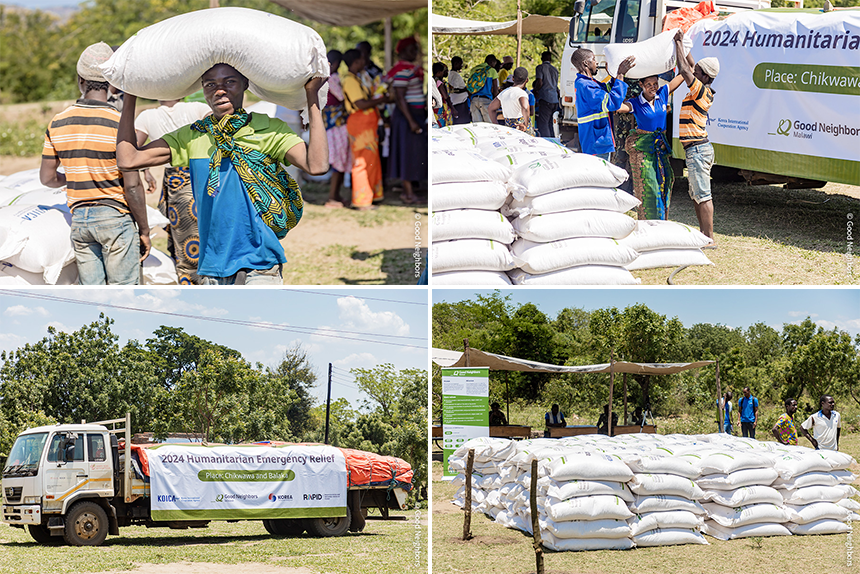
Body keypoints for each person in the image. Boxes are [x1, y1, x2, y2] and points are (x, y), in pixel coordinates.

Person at [116, 63, 328, 285]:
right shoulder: (193, 136)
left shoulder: (267, 129)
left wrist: (311, 96)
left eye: (230, 82)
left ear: (245, 84)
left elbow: (317, 165)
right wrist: (130, 94)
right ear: (203, 90)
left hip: (261, 265)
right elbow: (128, 159)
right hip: (213, 268)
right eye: (210, 84)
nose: (220, 90)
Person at [40, 42, 150, 285]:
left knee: (93, 297)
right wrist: (144, 229)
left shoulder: (57, 122)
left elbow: (47, 178)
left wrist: (78, 177)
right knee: (123, 295)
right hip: (115, 218)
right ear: (112, 83)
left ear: (80, 80)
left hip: (80, 221)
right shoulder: (120, 124)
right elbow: (132, 186)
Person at [135, 98, 210, 285]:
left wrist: (146, 170)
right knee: (202, 236)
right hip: (202, 175)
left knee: (184, 241)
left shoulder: (147, 116)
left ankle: (192, 284)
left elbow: (133, 152)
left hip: (176, 183)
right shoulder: (199, 109)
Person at [617, 73, 686, 219]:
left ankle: (661, 220)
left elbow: (682, 75)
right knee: (649, 186)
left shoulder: (662, 94)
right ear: (641, 85)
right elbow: (617, 107)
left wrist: (681, 51)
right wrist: (620, 77)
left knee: (666, 181)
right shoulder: (635, 103)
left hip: (660, 149)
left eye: (655, 84)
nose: (653, 88)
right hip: (644, 150)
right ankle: (647, 220)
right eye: (649, 85)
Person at [674, 29, 719, 240]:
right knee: (696, 195)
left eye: (698, 71)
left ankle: (708, 238)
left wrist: (677, 44)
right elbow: (690, 66)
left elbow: (684, 69)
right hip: (696, 149)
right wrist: (685, 42)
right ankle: (703, 235)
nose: (694, 72)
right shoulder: (701, 87)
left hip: (698, 150)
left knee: (703, 195)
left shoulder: (701, 91)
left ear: (705, 77)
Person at [342, 49, 388, 210]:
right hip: (360, 124)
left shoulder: (358, 78)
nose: (365, 62)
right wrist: (384, 99)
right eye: (362, 60)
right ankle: (361, 201)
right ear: (356, 62)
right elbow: (360, 104)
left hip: (368, 123)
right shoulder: (350, 80)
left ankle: (373, 195)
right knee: (362, 161)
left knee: (372, 160)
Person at [571, 48, 635, 159]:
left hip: (598, 140)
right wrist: (620, 75)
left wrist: (613, 75)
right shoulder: (586, 86)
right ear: (586, 63)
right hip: (596, 142)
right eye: (594, 59)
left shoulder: (590, 83)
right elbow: (611, 102)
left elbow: (608, 90)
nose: (596, 63)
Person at [386, 37, 427, 206]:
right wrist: (411, 121)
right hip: (407, 117)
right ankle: (408, 194)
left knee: (413, 154)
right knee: (407, 155)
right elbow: (400, 99)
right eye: (411, 50)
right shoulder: (402, 70)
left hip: (414, 115)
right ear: (402, 52)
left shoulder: (410, 69)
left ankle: (410, 189)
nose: (415, 53)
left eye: (416, 50)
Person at [322, 50, 353, 209]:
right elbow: (343, 97)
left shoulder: (320, 79)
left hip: (330, 124)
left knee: (338, 161)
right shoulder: (331, 79)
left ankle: (336, 195)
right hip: (338, 125)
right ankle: (332, 197)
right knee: (339, 161)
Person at [488, 67, 531, 134]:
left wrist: (496, 125)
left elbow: (490, 108)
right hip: (521, 128)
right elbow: (525, 107)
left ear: (513, 78)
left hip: (508, 129)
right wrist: (525, 124)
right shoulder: (522, 93)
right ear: (527, 80)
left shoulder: (503, 93)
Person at [534, 52, 559, 138]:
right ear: (551, 59)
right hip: (555, 99)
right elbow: (556, 86)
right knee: (551, 123)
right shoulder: (555, 70)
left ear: (541, 58)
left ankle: (546, 141)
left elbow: (539, 82)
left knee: (543, 123)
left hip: (545, 98)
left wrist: (535, 90)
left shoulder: (540, 68)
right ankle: (553, 140)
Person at [468, 54, 499, 123]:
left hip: (474, 100)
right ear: (491, 62)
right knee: (489, 125)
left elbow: (470, 86)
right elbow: (495, 88)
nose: (494, 65)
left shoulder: (474, 69)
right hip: (486, 100)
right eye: (494, 63)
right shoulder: (492, 70)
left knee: (477, 125)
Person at [448, 56, 470, 125]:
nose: (461, 66)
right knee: (463, 122)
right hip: (460, 102)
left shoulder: (451, 73)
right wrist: (465, 89)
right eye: (460, 64)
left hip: (457, 101)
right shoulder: (455, 75)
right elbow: (455, 90)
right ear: (456, 63)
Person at [432, 62, 455, 127]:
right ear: (439, 72)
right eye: (443, 71)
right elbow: (445, 97)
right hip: (440, 108)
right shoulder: (439, 82)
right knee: (442, 125)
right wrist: (453, 108)